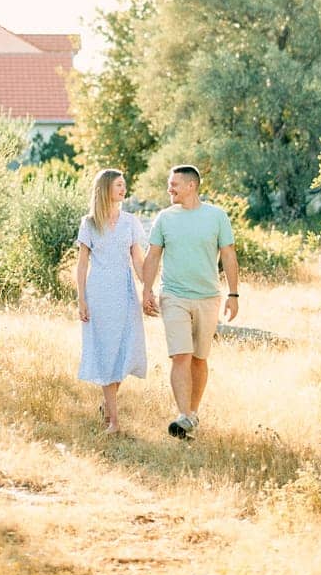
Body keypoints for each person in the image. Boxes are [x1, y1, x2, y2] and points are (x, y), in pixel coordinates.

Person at [142, 164, 239, 439]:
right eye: (169, 184)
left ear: (191, 186)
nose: (169, 189)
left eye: (174, 184)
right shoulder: (164, 218)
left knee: (199, 358)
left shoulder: (217, 216)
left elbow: (229, 255)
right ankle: (183, 414)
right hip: (174, 296)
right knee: (181, 355)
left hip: (208, 297)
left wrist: (233, 294)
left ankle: (191, 416)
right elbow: (152, 256)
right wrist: (147, 290)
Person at [76, 168, 147, 434]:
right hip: (100, 293)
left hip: (126, 292)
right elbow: (82, 264)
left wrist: (148, 288)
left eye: (124, 184)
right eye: (118, 184)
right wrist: (81, 298)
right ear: (105, 188)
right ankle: (114, 422)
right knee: (106, 352)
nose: (123, 188)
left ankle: (108, 405)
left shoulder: (130, 222)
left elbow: (138, 260)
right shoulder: (89, 223)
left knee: (124, 350)